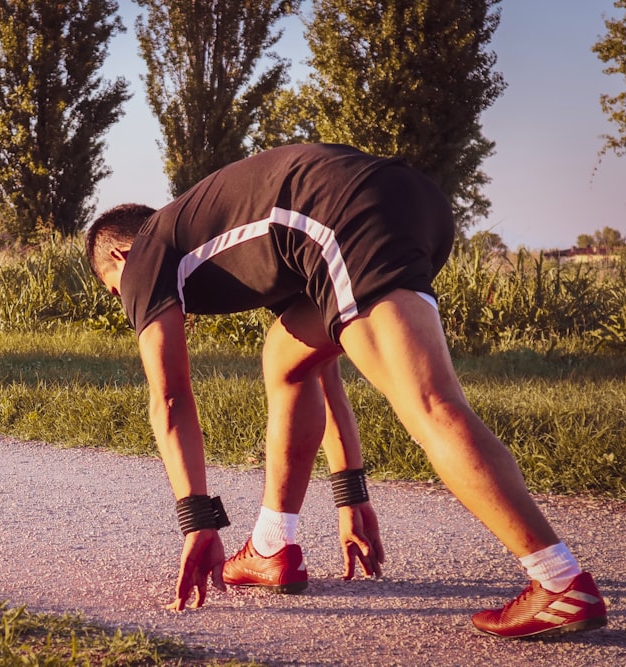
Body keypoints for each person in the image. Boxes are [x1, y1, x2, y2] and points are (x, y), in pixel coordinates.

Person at [84, 143, 608, 639]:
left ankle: (559, 582)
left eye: (115, 292)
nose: (125, 303)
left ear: (121, 257)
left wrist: (197, 521)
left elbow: (171, 398)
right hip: (410, 202)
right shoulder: (234, 240)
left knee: (430, 404)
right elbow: (324, 367)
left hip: (348, 209)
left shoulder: (148, 250)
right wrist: (349, 496)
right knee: (286, 358)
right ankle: (272, 546)